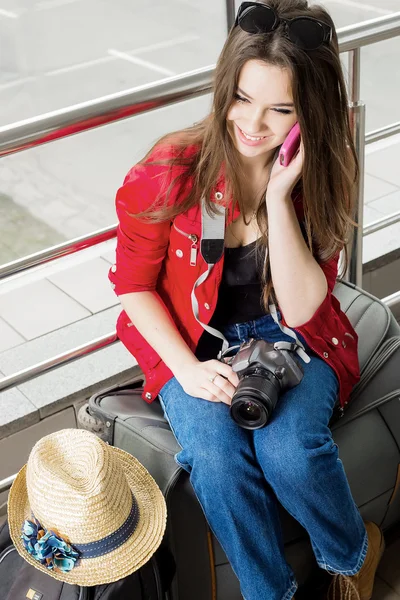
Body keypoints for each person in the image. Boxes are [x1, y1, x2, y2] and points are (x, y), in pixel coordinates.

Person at [109, 1, 385, 598]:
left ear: (308, 110)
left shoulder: (321, 171)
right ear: (223, 89)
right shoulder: (170, 171)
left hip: (293, 335)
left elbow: (307, 308)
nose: (254, 123)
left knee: (289, 451)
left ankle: (352, 556)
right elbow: (132, 285)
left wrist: (280, 199)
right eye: (241, 97)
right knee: (217, 461)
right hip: (192, 344)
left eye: (280, 109)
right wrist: (188, 371)